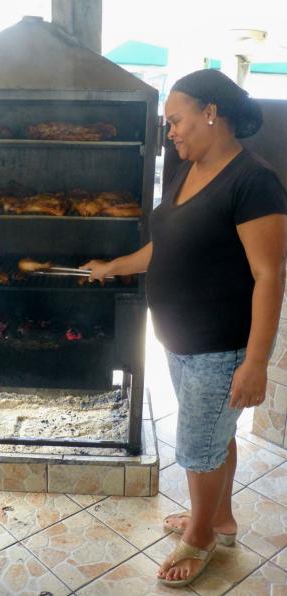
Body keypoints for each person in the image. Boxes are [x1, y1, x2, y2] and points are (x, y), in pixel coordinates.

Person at [81, 68, 287, 587]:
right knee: (218, 438)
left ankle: (200, 537)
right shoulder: (188, 168)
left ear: (211, 114)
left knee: (197, 449)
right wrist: (114, 266)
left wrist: (257, 362)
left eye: (176, 120)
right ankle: (221, 517)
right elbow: (164, 247)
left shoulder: (254, 181)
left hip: (218, 346)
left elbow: (270, 274)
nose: (169, 132)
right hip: (181, 341)